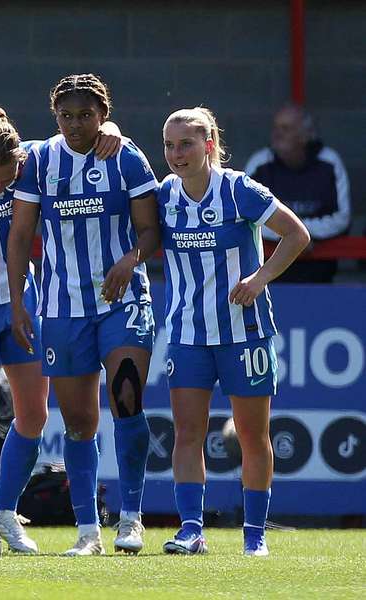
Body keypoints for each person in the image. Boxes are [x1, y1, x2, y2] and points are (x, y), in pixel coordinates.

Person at [8, 74, 160, 556]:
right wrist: (18, 301)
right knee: (78, 421)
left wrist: (130, 259)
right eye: (66, 115)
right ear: (54, 116)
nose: (76, 124)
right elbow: (19, 236)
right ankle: (88, 531)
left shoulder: (126, 156)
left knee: (127, 399)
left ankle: (132, 518)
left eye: (86, 115)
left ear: (103, 115)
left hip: (123, 299)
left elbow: (151, 230)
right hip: (61, 307)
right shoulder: (40, 161)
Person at [159, 107, 309, 556]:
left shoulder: (239, 189)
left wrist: (259, 279)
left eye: (186, 144)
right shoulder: (163, 194)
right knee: (187, 433)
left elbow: (296, 235)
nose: (176, 154)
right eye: (168, 145)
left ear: (209, 145)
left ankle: (255, 536)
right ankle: (191, 530)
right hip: (187, 334)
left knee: (251, 435)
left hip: (245, 333)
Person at [244, 104, 351, 283]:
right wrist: (290, 235)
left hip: (320, 271)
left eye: (286, 128)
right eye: (275, 128)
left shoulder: (329, 162)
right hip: (271, 273)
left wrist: (301, 235)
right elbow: (247, 217)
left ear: (305, 134)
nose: (277, 134)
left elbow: (342, 217)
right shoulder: (259, 164)